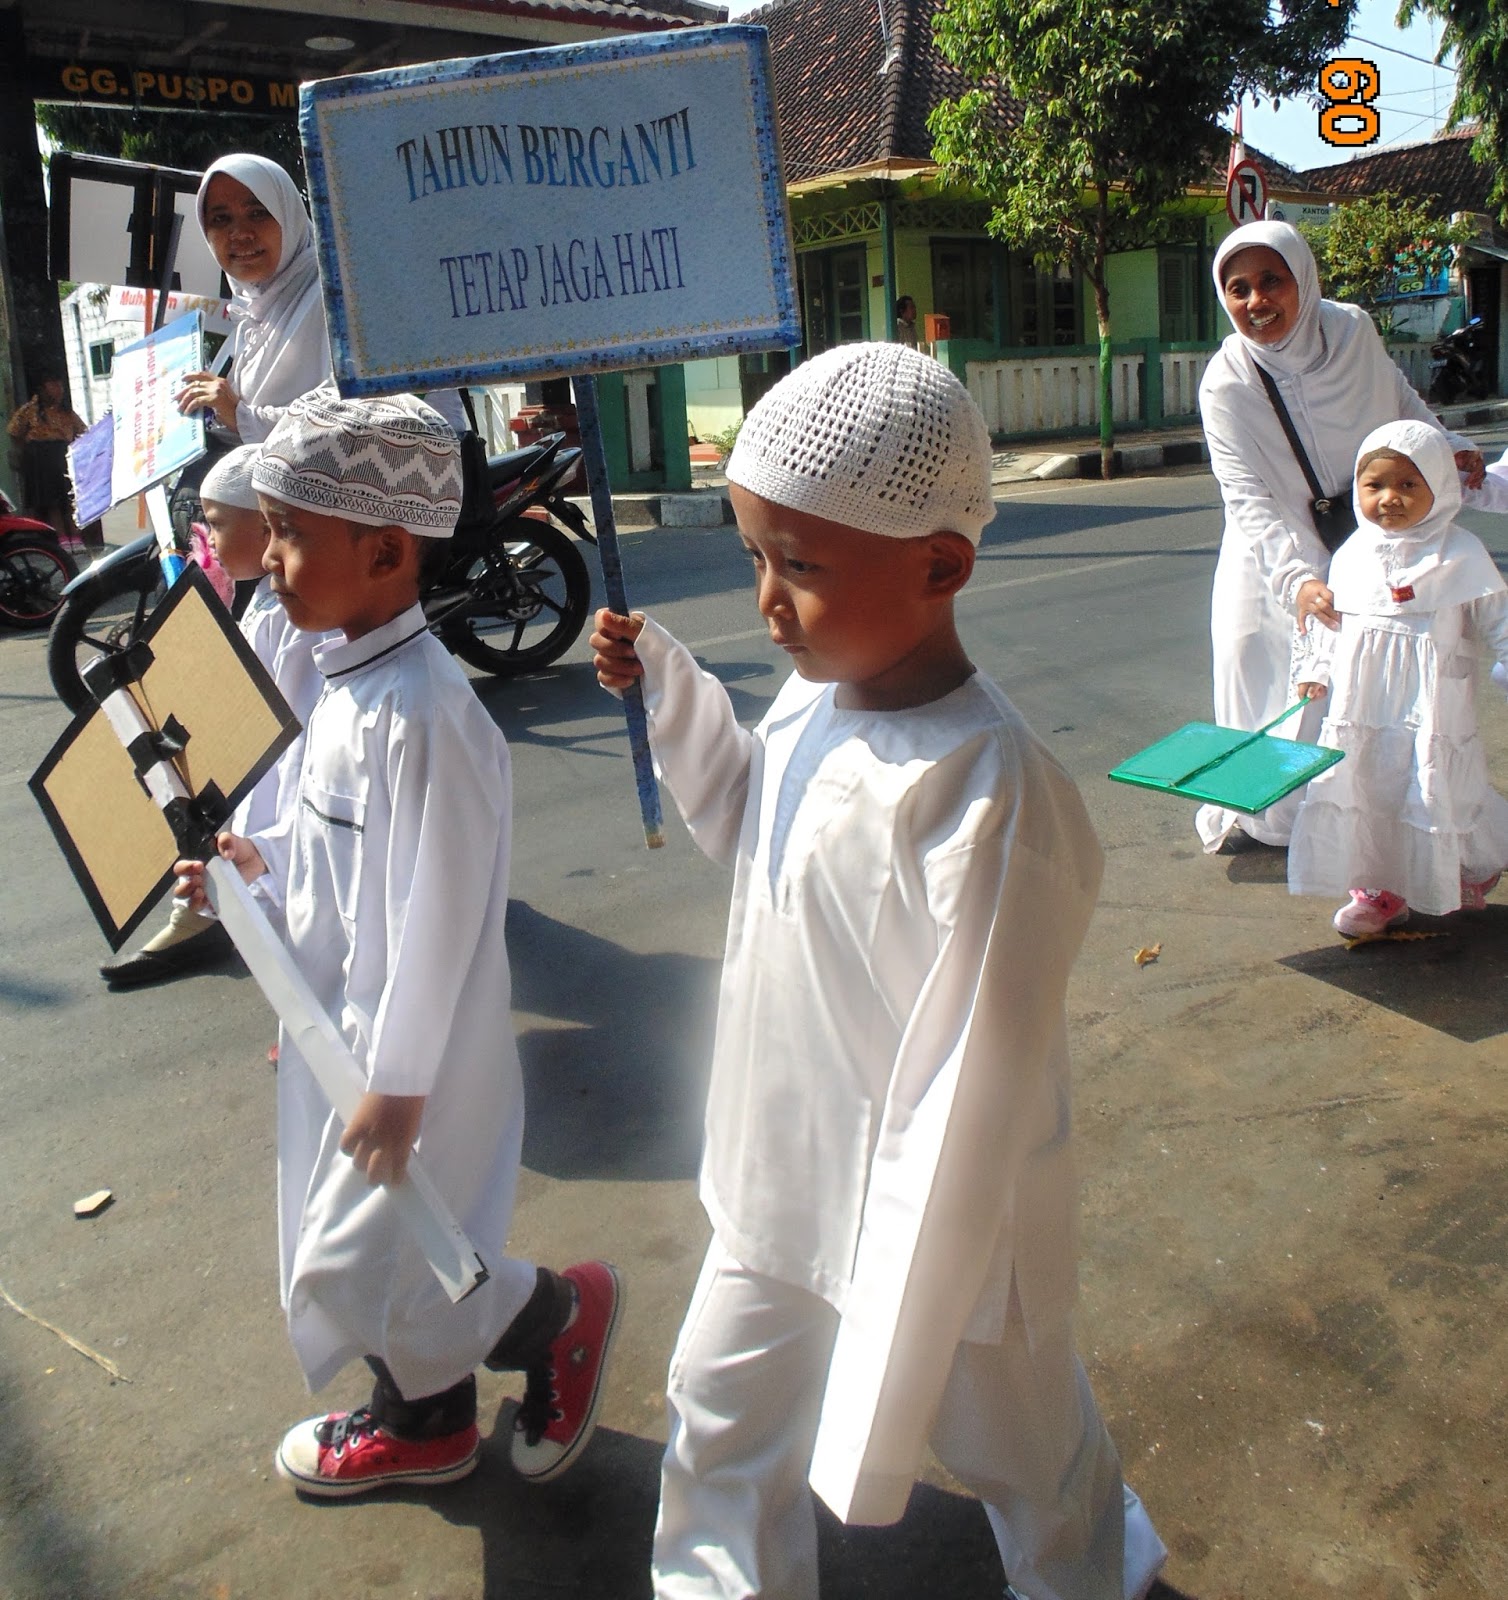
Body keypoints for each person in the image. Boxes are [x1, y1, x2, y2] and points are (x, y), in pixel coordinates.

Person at [591, 343, 1166, 1600]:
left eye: (797, 565)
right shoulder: (811, 702)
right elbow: (757, 830)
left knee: (1017, 1442)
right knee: (716, 1412)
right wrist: (673, 693)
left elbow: (968, 1091)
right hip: (782, 1168)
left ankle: (1079, 1576)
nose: (765, 601)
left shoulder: (986, 788)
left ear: (939, 565)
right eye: (754, 558)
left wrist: (906, 1307)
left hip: (944, 1220)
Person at [173, 386, 621, 1498]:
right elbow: (325, 872)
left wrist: (401, 1081)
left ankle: (562, 1312)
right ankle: (420, 1422)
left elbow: (438, 918)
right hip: (342, 1044)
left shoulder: (429, 716)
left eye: (290, 533)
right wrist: (247, 887)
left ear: (382, 551)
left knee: (379, 1260)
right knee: (370, 1257)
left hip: (406, 1063)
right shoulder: (343, 688)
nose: (269, 558)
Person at [1196, 220, 1484, 855]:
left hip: (1364, 539)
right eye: (1238, 289)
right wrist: (1297, 579)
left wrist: (1448, 446)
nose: (1256, 302)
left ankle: (1336, 812)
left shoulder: (1352, 330)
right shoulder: (1226, 382)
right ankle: (1257, 811)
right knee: (1254, 663)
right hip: (1267, 550)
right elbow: (1246, 497)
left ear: (1303, 278)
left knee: (1345, 682)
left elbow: (1399, 402)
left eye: (1271, 281)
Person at [100, 445, 329, 985]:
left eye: (219, 523)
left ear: (269, 528)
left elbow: (281, 721)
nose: (208, 536)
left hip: (280, 785)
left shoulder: (294, 617)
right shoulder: (267, 601)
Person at [1288, 420, 1508, 936]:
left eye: (1408, 485)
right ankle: (1378, 890)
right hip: (1363, 705)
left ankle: (1461, 866)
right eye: (1375, 485)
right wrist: (1315, 669)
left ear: (1439, 485)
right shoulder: (1351, 555)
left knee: (1433, 784)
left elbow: (1498, 618)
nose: (1390, 499)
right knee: (1369, 786)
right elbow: (1332, 621)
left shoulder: (1461, 554)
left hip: (1432, 702)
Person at [173, 155, 333, 447]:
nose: (240, 234)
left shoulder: (334, 299)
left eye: (258, 213)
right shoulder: (253, 313)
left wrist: (241, 416)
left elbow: (356, 421)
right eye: (220, 219)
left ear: (288, 215)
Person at [6, 375, 94, 549]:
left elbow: (82, 431)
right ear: (42, 388)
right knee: (51, 501)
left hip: (63, 455)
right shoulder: (29, 410)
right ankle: (62, 539)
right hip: (41, 458)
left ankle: (76, 538)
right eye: (53, 384)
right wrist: (27, 452)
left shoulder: (66, 411)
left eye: (60, 385)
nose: (58, 389)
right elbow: (14, 431)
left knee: (69, 499)